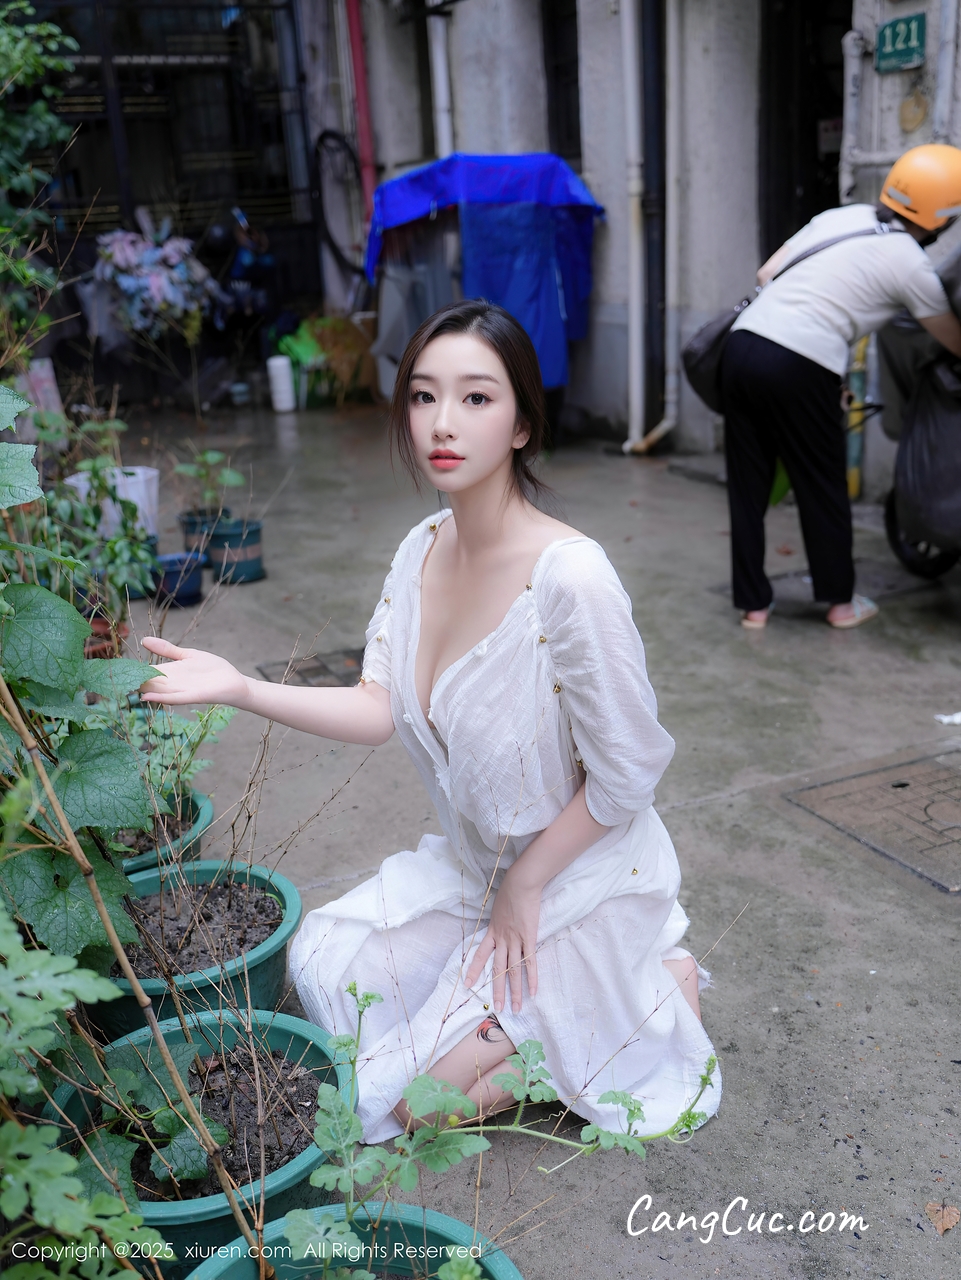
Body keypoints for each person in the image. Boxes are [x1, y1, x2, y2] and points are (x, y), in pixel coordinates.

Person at [141, 300, 720, 1142]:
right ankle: (584, 1004)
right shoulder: (422, 547)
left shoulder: (572, 580)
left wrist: (525, 887)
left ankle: (646, 987)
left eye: (476, 398)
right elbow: (376, 705)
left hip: (579, 878)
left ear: (522, 424)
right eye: (423, 396)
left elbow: (628, 773)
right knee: (327, 968)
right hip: (478, 872)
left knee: (414, 1105)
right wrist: (240, 688)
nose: (442, 422)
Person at [723, 143, 961, 630]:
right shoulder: (910, 264)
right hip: (800, 359)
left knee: (748, 485)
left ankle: (753, 606)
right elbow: (953, 341)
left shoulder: (841, 216)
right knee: (821, 483)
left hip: (741, 346)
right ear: (942, 217)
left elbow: (767, 272)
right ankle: (839, 603)